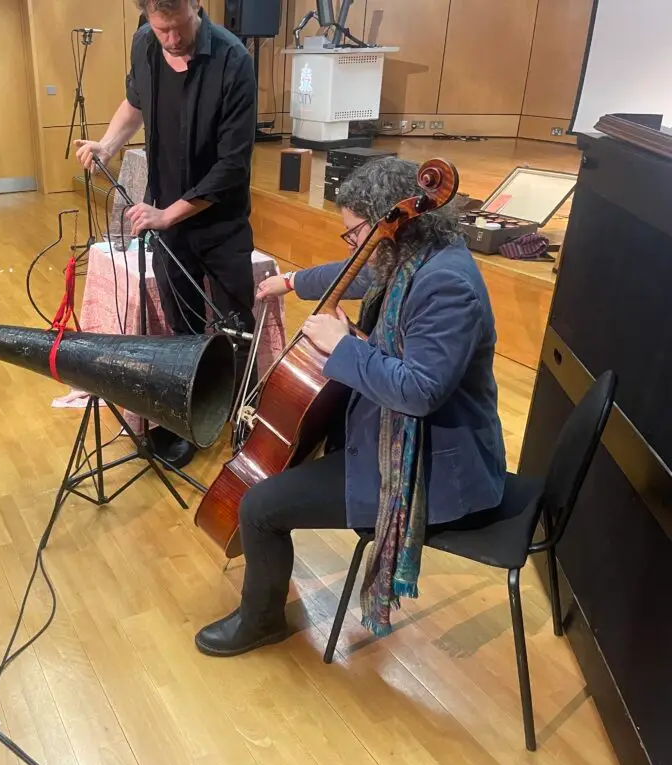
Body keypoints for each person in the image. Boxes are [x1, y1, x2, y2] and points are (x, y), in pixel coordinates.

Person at [193, 157, 507, 656]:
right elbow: (355, 275)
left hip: (433, 469)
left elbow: (419, 392)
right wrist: (290, 283)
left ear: (394, 222)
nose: (354, 245)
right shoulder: (415, 256)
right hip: (387, 431)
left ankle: (261, 621)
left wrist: (343, 345)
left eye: (355, 232)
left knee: (259, 507)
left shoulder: (448, 285)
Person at [73, 0, 258, 469]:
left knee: (236, 326)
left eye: (178, 28)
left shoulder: (234, 61)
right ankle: (191, 423)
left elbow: (231, 167)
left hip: (221, 221)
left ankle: (243, 418)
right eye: (162, 30)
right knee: (182, 329)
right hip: (167, 219)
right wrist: (108, 144)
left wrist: (166, 215)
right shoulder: (144, 43)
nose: (171, 40)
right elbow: (136, 100)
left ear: (198, 5)